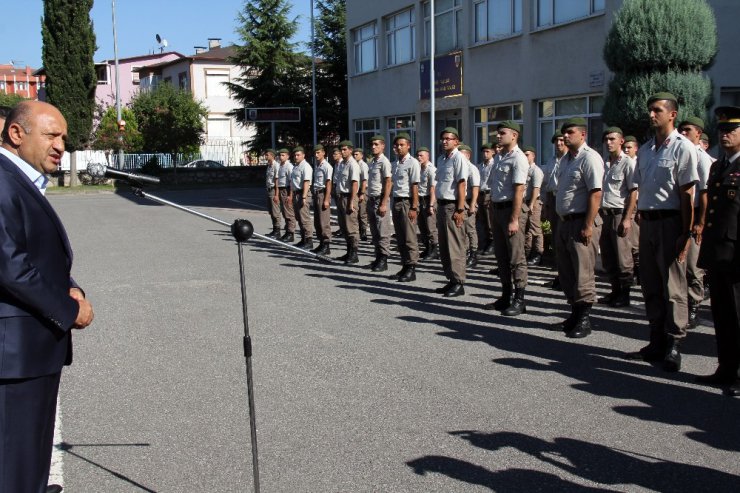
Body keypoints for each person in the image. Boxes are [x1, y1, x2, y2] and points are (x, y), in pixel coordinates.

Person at [0, 101, 95, 493]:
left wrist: (70, 286)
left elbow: (36, 256)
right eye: (51, 135)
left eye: (64, 138)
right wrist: (69, 308)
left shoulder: (18, 180)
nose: (61, 145)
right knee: (14, 460)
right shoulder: (3, 181)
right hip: (15, 352)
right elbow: (10, 265)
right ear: (17, 134)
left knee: (31, 452)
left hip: (31, 347)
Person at [623, 93, 698, 371]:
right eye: (650, 110)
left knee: (673, 286)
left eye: (657, 110)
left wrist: (686, 233)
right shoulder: (645, 150)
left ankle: (674, 343)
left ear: (672, 114)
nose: (651, 115)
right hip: (649, 223)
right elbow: (638, 188)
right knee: (651, 283)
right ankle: (655, 340)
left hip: (671, 222)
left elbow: (687, 193)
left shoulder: (682, 148)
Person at [696, 105, 740, 395]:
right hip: (719, 252)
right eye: (722, 130)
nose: (724, 135)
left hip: (737, 254)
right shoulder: (718, 166)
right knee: (722, 315)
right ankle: (726, 369)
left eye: (731, 130)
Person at [553, 118, 604, 338]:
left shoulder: (590, 157)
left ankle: (584, 319)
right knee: (567, 272)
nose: (565, 136)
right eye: (564, 133)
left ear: (582, 135)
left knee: (583, 272)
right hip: (565, 222)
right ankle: (574, 313)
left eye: (570, 132)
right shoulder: (566, 160)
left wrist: (588, 225)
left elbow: (596, 193)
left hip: (582, 221)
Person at [485, 121, 529, 316]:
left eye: (502, 133)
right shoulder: (501, 157)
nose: (498, 136)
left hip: (511, 210)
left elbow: (519, 190)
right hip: (497, 210)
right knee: (501, 256)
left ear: (514, 136)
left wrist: (514, 219)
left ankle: (520, 299)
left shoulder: (519, 158)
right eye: (498, 133)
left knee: (516, 257)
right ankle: (505, 296)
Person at [679, 117, 713, 328]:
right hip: (682, 212)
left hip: (696, 214)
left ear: (698, 133)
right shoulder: (682, 153)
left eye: (688, 130)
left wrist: (700, 222)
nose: (683, 134)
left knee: (693, 266)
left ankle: (694, 307)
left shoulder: (701, 158)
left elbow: (705, 193)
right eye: (681, 130)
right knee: (679, 264)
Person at [598, 127, 636, 307]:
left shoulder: (628, 163)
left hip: (619, 214)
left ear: (621, 141)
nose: (608, 142)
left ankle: (625, 294)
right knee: (608, 256)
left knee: (623, 258)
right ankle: (614, 291)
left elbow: (633, 192)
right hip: (604, 214)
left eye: (612, 139)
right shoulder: (603, 163)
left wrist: (627, 218)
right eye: (606, 139)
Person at [434, 127, 468, 297]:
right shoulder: (442, 159)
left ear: (457, 141)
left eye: (449, 138)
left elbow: (462, 184)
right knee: (445, 246)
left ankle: (459, 282)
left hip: (453, 206)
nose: (445, 141)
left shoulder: (458, 158)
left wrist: (460, 209)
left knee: (455, 245)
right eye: (443, 138)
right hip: (441, 205)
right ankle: (451, 279)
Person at [390, 133, 421, 282]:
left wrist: (414, 207)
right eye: (396, 145)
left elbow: (415, 186)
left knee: (409, 237)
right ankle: (404, 265)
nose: (398, 147)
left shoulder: (413, 162)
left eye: (402, 145)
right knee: (400, 237)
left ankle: (412, 267)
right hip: (396, 201)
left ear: (408, 145)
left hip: (407, 202)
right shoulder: (395, 164)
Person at [541, 131, 566, 290]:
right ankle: (561, 274)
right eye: (556, 141)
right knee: (557, 239)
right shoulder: (551, 161)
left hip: (565, 200)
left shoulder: (570, 160)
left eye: (562, 140)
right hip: (552, 199)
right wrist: (544, 204)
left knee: (565, 240)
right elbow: (545, 185)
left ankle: (567, 276)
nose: (559, 144)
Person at [365, 136, 393, 272]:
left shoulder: (384, 162)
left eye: (376, 144)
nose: (373, 146)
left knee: (383, 231)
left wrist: (383, 203)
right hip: (371, 199)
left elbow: (388, 182)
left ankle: (384, 259)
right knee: (375, 232)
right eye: (372, 144)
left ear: (383, 146)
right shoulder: (373, 162)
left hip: (380, 200)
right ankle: (377, 257)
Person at [335, 140, 361, 264]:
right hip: (341, 197)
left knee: (351, 227)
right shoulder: (341, 164)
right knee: (344, 226)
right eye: (341, 149)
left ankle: (354, 253)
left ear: (350, 150)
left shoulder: (353, 164)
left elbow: (355, 183)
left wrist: (351, 202)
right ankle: (349, 251)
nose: (342, 151)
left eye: (345, 149)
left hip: (349, 197)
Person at [623, 135, 641, 284]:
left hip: (637, 205)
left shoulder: (638, 163)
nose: (626, 150)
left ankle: (638, 271)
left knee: (635, 242)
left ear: (636, 148)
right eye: (625, 147)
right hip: (626, 205)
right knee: (627, 241)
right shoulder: (623, 163)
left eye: (629, 147)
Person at [522, 146, 544, 267]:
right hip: (524, 201)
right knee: (527, 229)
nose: (525, 157)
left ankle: (538, 254)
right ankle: (528, 253)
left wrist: (531, 204)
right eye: (524, 154)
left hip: (533, 202)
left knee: (535, 229)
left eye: (527, 155)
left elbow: (536, 189)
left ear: (533, 156)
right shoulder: (524, 169)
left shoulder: (536, 170)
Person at [459, 144, 480, 268]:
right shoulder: (460, 167)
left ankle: (473, 254)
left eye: (461, 154)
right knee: (462, 230)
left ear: (467, 155)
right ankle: (465, 252)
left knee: (470, 229)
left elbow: (475, 188)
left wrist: (472, 205)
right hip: (461, 201)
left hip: (469, 201)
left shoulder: (472, 169)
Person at [417, 146, 439, 261]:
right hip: (420, 199)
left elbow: (433, 188)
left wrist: (431, 205)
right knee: (422, 226)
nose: (419, 157)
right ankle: (427, 248)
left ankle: (434, 250)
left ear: (427, 156)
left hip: (428, 199)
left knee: (431, 227)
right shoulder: (419, 168)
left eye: (421, 155)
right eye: (418, 155)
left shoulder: (431, 169)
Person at [311, 145, 333, 255]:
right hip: (316, 193)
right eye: (315, 153)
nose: (316, 155)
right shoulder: (317, 165)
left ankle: (326, 245)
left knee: (324, 221)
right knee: (317, 221)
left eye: (318, 152)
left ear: (323, 153)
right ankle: (321, 243)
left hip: (322, 194)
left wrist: (326, 199)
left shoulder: (326, 166)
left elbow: (328, 184)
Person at [290, 146, 314, 250]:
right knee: (299, 218)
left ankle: (309, 240)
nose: (296, 157)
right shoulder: (296, 166)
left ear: (303, 155)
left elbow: (306, 182)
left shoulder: (306, 166)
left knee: (305, 218)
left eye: (298, 155)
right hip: (296, 193)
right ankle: (304, 239)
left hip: (302, 193)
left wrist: (304, 197)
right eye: (295, 155)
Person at [477, 143, 496, 255]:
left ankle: (492, 243)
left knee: (490, 220)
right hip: (481, 193)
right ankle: (484, 243)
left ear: (492, 152)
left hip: (489, 193)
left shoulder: (494, 165)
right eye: (483, 152)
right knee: (482, 220)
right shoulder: (480, 166)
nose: (485, 154)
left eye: (487, 151)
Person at [276, 148, 296, 242]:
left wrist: (290, 195)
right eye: (280, 155)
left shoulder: (289, 166)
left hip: (286, 190)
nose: (281, 157)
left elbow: (292, 182)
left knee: (289, 213)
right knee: (284, 212)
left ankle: (291, 233)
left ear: (288, 156)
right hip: (281, 190)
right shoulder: (281, 166)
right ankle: (287, 232)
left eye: (283, 155)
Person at [263, 148, 281, 238]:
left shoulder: (276, 165)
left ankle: (277, 231)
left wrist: (277, 195)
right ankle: (274, 229)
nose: (266, 156)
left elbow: (276, 181)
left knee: (275, 212)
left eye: (267, 155)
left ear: (272, 155)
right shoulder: (269, 165)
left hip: (274, 190)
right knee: (271, 211)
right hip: (269, 189)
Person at [354, 148, 370, 241]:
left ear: (361, 155)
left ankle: (363, 232)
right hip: (356, 190)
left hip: (362, 190)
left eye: (357, 154)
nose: (355, 156)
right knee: (356, 212)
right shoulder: (355, 164)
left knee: (362, 212)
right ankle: (359, 230)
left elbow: (364, 180)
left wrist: (362, 193)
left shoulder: (363, 165)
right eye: (354, 154)